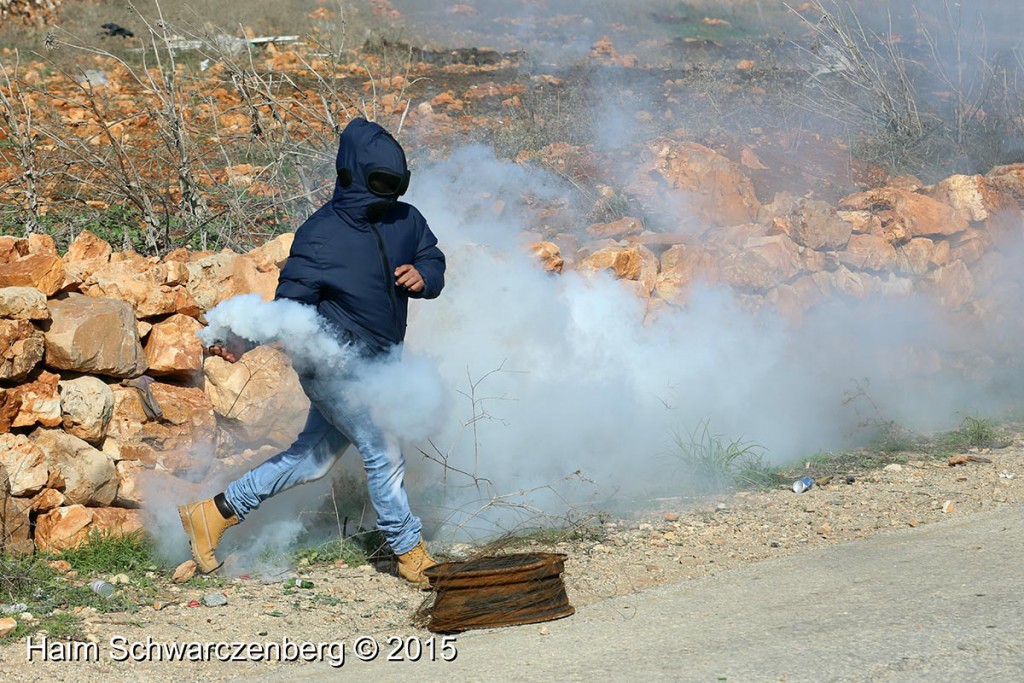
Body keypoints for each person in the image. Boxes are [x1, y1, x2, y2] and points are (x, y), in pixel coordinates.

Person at [178, 118, 446, 586]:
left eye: (396, 183)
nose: (389, 193)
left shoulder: (408, 219)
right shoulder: (320, 236)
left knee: (313, 460)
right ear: (352, 174)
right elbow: (290, 310)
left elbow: (432, 256)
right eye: (380, 182)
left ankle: (214, 513)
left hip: (382, 361)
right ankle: (409, 550)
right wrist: (244, 339)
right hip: (331, 364)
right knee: (383, 446)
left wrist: (425, 277)